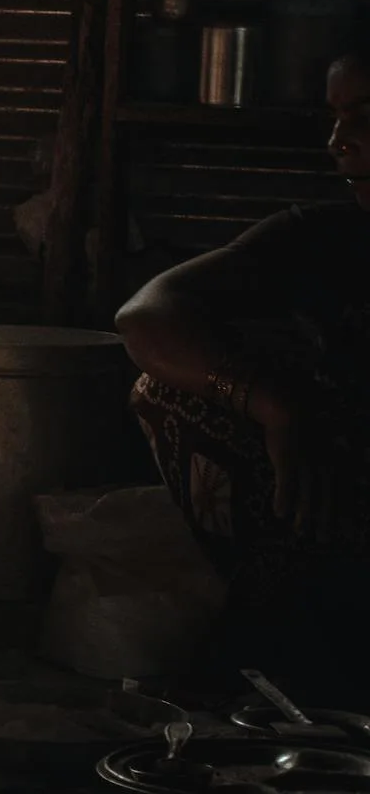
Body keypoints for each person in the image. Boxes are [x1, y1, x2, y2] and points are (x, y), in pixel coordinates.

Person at [115, 52, 370, 699]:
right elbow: (147, 315)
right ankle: (284, 643)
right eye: (337, 119)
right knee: (169, 390)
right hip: (334, 513)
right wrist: (276, 406)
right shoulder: (326, 237)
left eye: (364, 117)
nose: (340, 143)